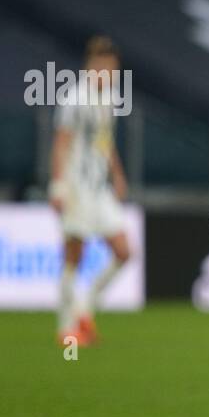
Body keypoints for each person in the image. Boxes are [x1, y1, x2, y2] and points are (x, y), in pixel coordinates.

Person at [50, 35, 131, 346]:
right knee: (74, 256)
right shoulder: (74, 98)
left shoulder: (109, 97)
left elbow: (104, 140)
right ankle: (65, 327)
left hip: (100, 190)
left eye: (111, 68)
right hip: (75, 188)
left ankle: (84, 309)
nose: (106, 73)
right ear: (89, 67)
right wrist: (58, 186)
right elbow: (61, 144)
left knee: (124, 252)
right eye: (101, 67)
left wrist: (118, 174)